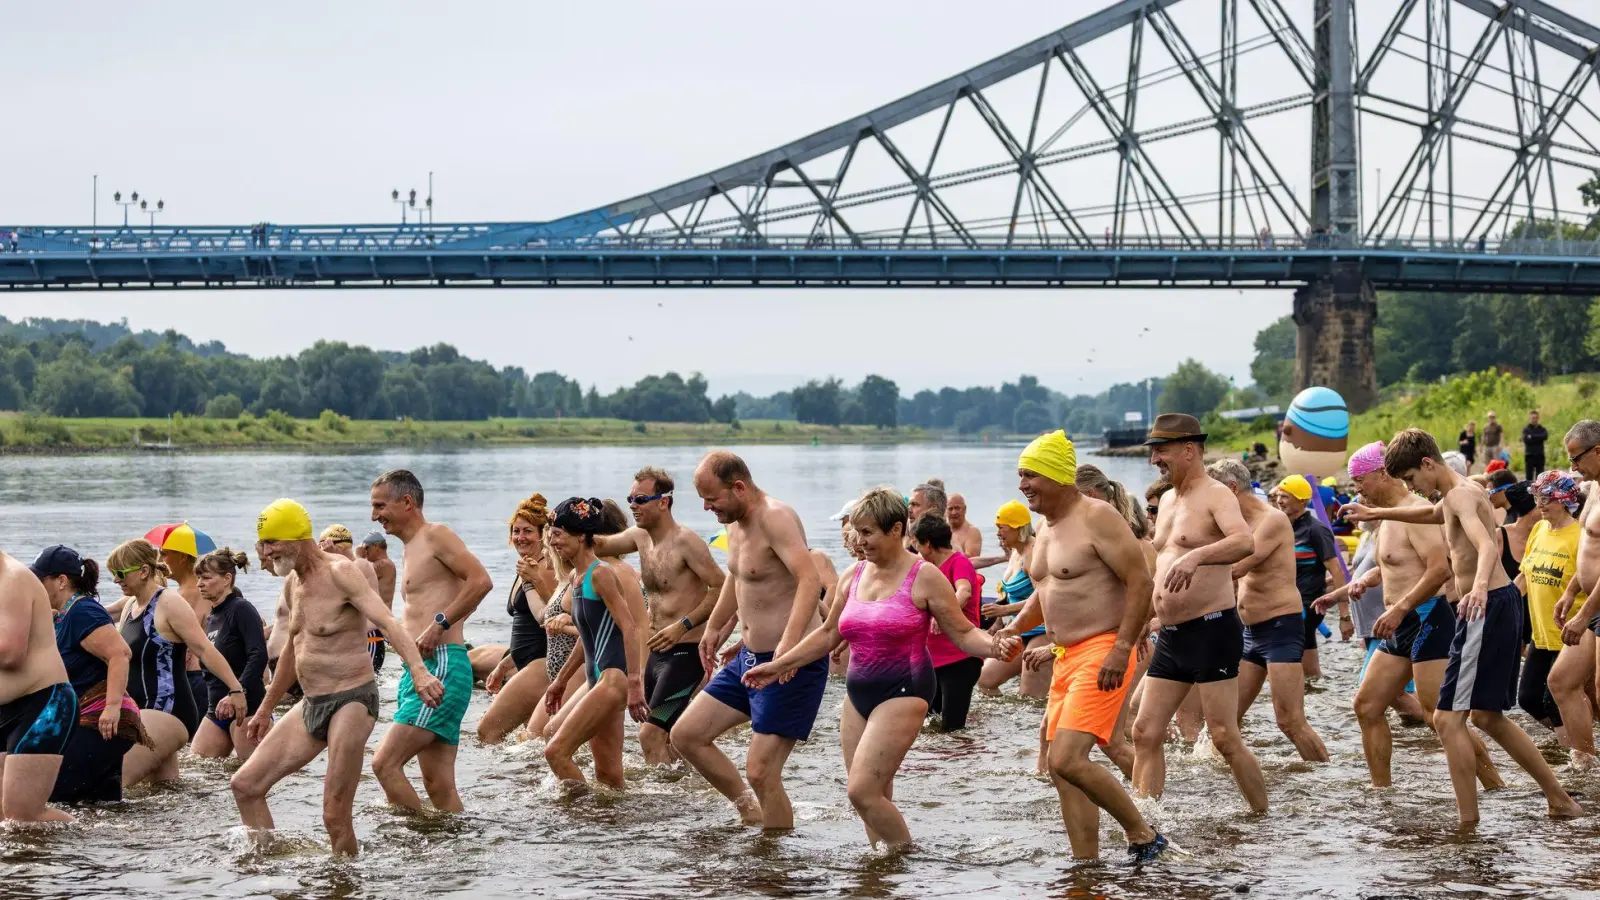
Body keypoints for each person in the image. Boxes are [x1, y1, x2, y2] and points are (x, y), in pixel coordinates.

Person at [742, 488, 1014, 851]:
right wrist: (779, 665)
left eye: (867, 532)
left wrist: (995, 645)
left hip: (905, 690)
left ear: (896, 529)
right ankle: (882, 868)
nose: (859, 541)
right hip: (858, 696)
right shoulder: (853, 574)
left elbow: (963, 633)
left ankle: (908, 858)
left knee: (861, 792)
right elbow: (829, 633)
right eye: (857, 532)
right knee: (874, 796)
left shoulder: (924, 576)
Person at [1344, 429, 1580, 824]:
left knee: (1446, 718)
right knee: (1485, 717)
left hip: (1486, 605)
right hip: (1496, 605)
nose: (1412, 488)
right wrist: (1377, 514)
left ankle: (1467, 822)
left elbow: (1486, 546)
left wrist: (1480, 587)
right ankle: (1558, 799)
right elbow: (1432, 514)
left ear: (1427, 463)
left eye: (1412, 479)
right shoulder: (1459, 492)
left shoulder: (1461, 495)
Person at [991, 433, 1168, 862]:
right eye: (1020, 476)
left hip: (1102, 649)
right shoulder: (1044, 528)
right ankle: (1085, 865)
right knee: (1061, 771)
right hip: (1065, 656)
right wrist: (1014, 627)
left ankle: (1144, 835)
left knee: (1068, 759)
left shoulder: (1096, 516)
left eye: (1030, 475)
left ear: (1056, 475)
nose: (1022, 485)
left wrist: (1121, 648)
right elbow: (1046, 590)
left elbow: (1140, 581)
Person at [231, 498, 443, 856]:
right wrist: (266, 708)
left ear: (296, 538)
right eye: (263, 544)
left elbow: (388, 622)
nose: (265, 553)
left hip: (352, 699)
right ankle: (266, 869)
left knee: (334, 815)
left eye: (271, 543)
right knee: (245, 786)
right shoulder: (292, 583)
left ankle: (344, 879)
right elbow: (294, 649)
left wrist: (419, 672)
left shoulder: (341, 572)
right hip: (311, 702)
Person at [1318, 441, 1502, 793]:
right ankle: (1382, 793)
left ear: (1382, 474)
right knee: (1367, 706)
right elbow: (1398, 564)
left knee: (1437, 718)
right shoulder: (1388, 516)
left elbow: (1438, 571)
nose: (1357, 488)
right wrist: (1365, 581)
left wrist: (1400, 607)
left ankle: (1495, 786)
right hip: (1399, 623)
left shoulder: (1416, 511)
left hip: (1426, 618)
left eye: (1360, 480)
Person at [671, 451, 825, 830]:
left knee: (761, 771)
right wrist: (714, 627)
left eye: (712, 498)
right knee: (687, 735)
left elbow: (810, 579)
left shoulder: (775, 517)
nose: (706, 508)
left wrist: (788, 647)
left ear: (739, 487)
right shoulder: (735, 523)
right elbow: (738, 575)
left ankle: (775, 853)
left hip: (790, 663)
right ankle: (750, 811)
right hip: (750, 659)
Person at [1129, 414, 1266, 813]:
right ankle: (1145, 822)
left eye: (1161, 450)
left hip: (1211, 630)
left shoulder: (1217, 494)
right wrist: (1142, 621)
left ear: (1189, 450)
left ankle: (1262, 815)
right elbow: (1160, 566)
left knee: (1224, 737)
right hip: (1171, 634)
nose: (1155, 459)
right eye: (1153, 451)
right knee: (1144, 731)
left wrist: (1197, 557)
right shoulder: (1168, 500)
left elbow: (1244, 542)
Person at [367, 469, 493, 814]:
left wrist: (441, 624)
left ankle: (417, 837)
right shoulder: (410, 548)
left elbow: (481, 581)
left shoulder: (435, 535)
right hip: (421, 668)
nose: (374, 516)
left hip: (443, 665)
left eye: (380, 506)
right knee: (438, 787)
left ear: (407, 502)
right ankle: (451, 842)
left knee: (384, 764)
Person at [590, 467, 727, 765]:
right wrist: (568, 523)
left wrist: (683, 625)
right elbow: (599, 546)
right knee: (668, 736)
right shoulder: (640, 537)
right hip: (656, 655)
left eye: (640, 499)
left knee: (650, 734)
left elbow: (721, 587)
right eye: (630, 499)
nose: (633, 506)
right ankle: (689, 788)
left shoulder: (686, 541)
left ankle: (661, 796)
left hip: (685, 656)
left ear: (663, 502)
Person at [1209, 460, 1330, 762]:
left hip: (1280, 628)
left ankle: (1326, 776)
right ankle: (1225, 777)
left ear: (1231, 488)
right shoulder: (1235, 525)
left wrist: (1188, 568)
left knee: (1289, 721)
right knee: (1226, 721)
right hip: (1250, 632)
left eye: (1213, 491)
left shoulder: (1272, 520)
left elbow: (1238, 567)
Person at [108, 538, 247, 787]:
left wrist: (236, 689)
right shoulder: (130, 605)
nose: (116, 580)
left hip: (167, 711)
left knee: (114, 784)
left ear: (143, 571)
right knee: (162, 790)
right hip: (142, 712)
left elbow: (204, 649)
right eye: (112, 574)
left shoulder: (168, 603)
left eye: (120, 573)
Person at [541, 498, 650, 790]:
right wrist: (560, 681)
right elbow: (587, 637)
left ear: (581, 536)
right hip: (596, 680)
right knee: (609, 776)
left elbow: (630, 628)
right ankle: (612, 818)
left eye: (558, 534)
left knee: (555, 752)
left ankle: (580, 812)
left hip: (613, 681)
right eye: (551, 533)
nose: (552, 541)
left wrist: (635, 683)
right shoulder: (576, 577)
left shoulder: (601, 573)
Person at [34, 546, 148, 805]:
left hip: (104, 721)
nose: (35, 586)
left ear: (61, 581)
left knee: (50, 797)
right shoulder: (64, 614)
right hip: (97, 721)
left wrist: (112, 707)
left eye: (40, 580)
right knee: (99, 806)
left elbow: (120, 654)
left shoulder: (82, 611)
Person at [0, 549, 76, 822]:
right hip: (7, 708)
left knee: (23, 816)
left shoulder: (13, 578)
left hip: (43, 704)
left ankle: (96, 842)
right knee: (4, 818)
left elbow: (10, 654)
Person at [478, 495, 558, 745]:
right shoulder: (526, 565)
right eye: (516, 531)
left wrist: (534, 580)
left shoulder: (545, 568)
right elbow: (527, 632)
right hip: (525, 663)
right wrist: (504, 665)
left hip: (542, 665)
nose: (520, 537)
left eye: (528, 531)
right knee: (532, 742)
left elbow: (554, 615)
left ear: (543, 534)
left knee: (487, 732)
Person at [1517, 471, 1587, 751]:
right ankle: (1571, 742)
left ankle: (1578, 756)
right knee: (1528, 698)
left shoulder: (1581, 535)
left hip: (1571, 632)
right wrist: (1500, 603)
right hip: (1541, 632)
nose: (1540, 504)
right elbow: (1524, 576)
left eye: (1547, 498)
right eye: (1537, 497)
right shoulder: (1539, 529)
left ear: (1565, 500)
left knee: (1554, 699)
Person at [191, 548, 268, 762]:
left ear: (226, 579)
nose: (199, 584)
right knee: (198, 768)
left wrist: (238, 691)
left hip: (247, 707)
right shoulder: (212, 616)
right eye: (198, 578)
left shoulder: (241, 609)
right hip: (215, 709)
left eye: (206, 578)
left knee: (253, 774)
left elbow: (258, 655)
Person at [1553, 421, 1600, 765]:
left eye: (1576, 458)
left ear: (1598, 451)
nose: (1573, 468)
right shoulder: (1594, 487)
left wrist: (1583, 616)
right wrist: (1571, 591)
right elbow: (1590, 546)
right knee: (1561, 682)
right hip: (1591, 602)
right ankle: (1587, 766)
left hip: (1594, 608)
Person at [910, 514, 983, 732]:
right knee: (927, 726)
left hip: (960, 658)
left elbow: (964, 591)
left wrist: (945, 616)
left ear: (927, 543)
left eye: (917, 544)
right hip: (932, 662)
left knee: (953, 729)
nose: (915, 550)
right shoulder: (926, 569)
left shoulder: (959, 562)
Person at [1273, 474, 1350, 679]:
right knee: (1309, 671)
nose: (1279, 501)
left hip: (1307, 604)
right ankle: (1314, 689)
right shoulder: (1283, 527)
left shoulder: (1316, 529)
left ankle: (1290, 692)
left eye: (1285, 497)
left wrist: (1344, 616)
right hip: (1287, 603)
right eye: (1278, 496)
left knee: (1280, 662)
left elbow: (1337, 571)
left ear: (1302, 501)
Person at [975, 501, 1050, 698]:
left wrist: (1005, 611)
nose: (998, 533)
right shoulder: (1015, 552)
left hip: (1042, 630)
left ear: (1017, 528)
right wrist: (998, 623)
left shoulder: (1033, 553)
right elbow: (1007, 593)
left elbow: (1044, 596)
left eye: (1002, 528)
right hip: (1019, 629)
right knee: (985, 681)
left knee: (1030, 695)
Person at [320, 525, 387, 673]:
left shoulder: (360, 564)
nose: (322, 552)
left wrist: (330, 557)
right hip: (354, 640)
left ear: (338, 546)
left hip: (369, 638)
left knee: (363, 682)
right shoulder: (339, 567)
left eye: (323, 546)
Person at [357, 531, 397, 608]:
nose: (365, 552)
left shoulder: (382, 565)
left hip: (380, 613)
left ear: (376, 547)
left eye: (366, 548)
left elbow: (354, 576)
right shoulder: (387, 563)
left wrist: (358, 556)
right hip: (383, 612)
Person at [905, 482, 948, 551]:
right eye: (909, 505)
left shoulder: (948, 548)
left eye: (915, 504)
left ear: (933, 509)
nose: (909, 510)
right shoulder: (909, 546)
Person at [946, 494, 983, 558]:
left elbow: (972, 560)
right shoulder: (940, 529)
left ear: (965, 509)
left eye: (957, 508)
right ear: (945, 511)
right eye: (950, 509)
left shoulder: (972, 532)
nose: (954, 512)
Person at [1524, 410, 1549, 482]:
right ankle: (1528, 489)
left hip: (1540, 455)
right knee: (1529, 477)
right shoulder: (1526, 429)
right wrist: (1538, 437)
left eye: (1536, 418)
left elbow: (1545, 436)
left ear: (1538, 418)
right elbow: (1526, 440)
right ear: (1529, 418)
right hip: (1529, 455)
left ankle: (1539, 489)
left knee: (1540, 476)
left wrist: (1532, 436)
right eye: (1533, 418)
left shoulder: (1542, 428)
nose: (1534, 419)